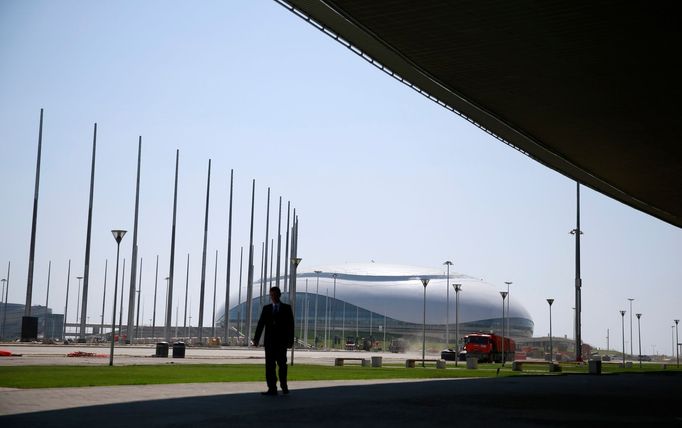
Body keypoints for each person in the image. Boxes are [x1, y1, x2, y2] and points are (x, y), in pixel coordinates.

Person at [252, 286, 294, 395]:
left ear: (279, 295)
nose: (273, 297)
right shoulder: (267, 308)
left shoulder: (286, 308)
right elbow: (260, 324)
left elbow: (291, 326)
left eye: (275, 295)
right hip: (269, 343)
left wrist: (290, 341)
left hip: (282, 343)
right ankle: (272, 388)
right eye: (271, 295)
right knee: (269, 367)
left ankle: (284, 386)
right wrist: (256, 339)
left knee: (282, 366)